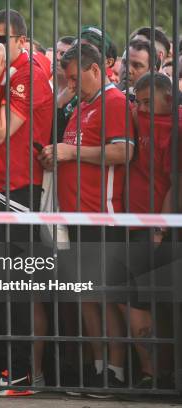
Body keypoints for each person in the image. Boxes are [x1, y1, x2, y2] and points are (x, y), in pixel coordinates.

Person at [38, 43, 135, 395]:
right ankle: (99, 367)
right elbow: (74, 153)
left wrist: (70, 152)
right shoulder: (84, 105)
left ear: (97, 70)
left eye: (77, 79)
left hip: (100, 216)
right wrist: (56, 157)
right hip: (74, 215)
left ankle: (116, 371)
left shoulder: (114, 103)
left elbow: (124, 151)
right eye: (68, 80)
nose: (72, 86)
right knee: (86, 298)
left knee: (103, 297)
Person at [0, 9, 53, 396]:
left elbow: (0, 132)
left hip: (16, 192)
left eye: (1, 39)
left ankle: (21, 375)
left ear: (21, 41)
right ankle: (12, 371)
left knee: (15, 285)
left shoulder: (28, 74)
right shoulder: (7, 70)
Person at [124, 72, 182, 388]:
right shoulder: (137, 117)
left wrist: (159, 226)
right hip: (132, 223)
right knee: (136, 300)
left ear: (169, 99)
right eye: (139, 101)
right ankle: (150, 374)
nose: (142, 108)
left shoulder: (175, 127)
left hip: (158, 227)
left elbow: (176, 183)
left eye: (148, 102)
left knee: (158, 302)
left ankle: (162, 374)